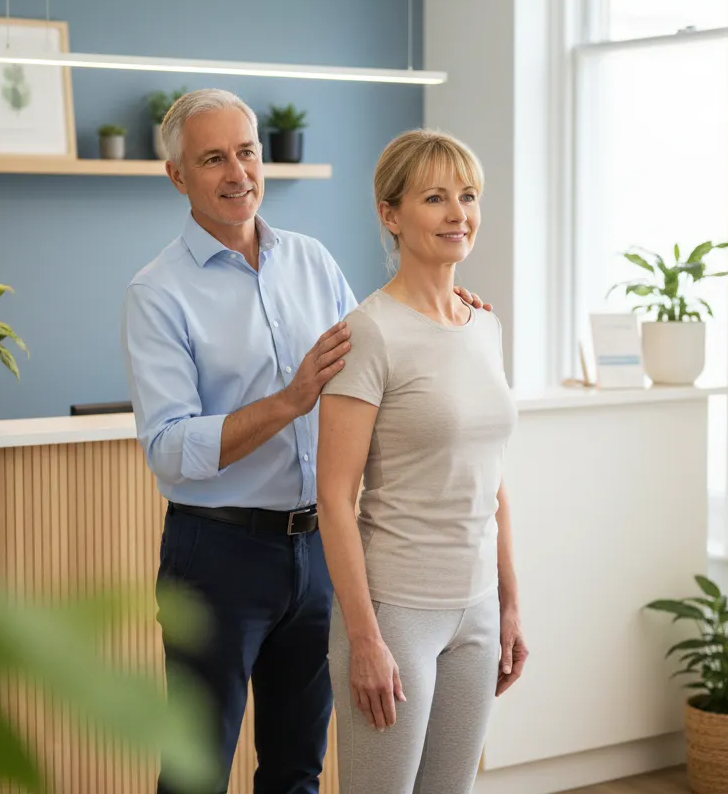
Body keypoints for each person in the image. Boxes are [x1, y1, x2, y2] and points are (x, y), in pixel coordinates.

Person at [121, 89, 490, 794]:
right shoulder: (158, 292)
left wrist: (449, 309)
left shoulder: (312, 262)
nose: (238, 172)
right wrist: (289, 402)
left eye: (248, 152)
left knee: (298, 769)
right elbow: (168, 448)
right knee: (196, 770)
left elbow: (382, 355)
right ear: (178, 178)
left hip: (318, 551)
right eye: (213, 159)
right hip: (218, 558)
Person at [316, 129, 528, 794]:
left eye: (467, 196)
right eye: (435, 198)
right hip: (396, 613)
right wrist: (365, 638)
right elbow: (333, 498)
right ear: (390, 214)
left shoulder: (485, 326)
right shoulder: (369, 333)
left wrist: (510, 604)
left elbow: (492, 481)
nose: (457, 213)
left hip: (477, 611)